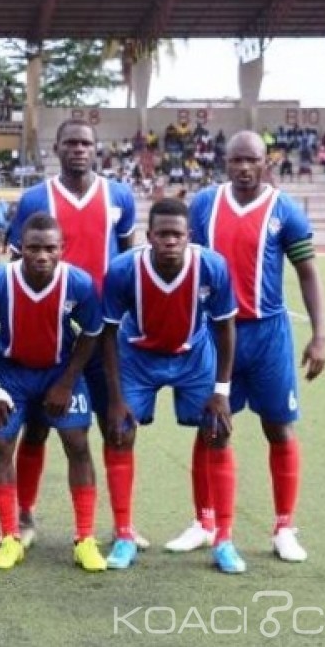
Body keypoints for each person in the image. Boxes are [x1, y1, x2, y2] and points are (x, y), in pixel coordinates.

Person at [176, 130, 325, 563]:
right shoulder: (205, 204)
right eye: (236, 160)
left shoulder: (284, 209)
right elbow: (185, 264)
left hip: (267, 335)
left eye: (252, 160)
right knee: (211, 427)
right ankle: (205, 523)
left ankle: (284, 526)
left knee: (278, 426)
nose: (244, 167)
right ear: (225, 162)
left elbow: (308, 272)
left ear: (266, 163)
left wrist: (320, 335)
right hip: (214, 334)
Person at [7, 118, 140, 549]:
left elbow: (126, 259)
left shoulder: (118, 195)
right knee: (39, 428)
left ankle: (122, 526)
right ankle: (24, 515)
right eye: (70, 143)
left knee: (115, 425)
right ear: (57, 148)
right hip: (49, 332)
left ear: (97, 149)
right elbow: (14, 263)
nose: (78, 149)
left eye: (86, 143)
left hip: (104, 334)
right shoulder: (34, 198)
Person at [101, 198, 245, 574]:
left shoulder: (212, 267)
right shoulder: (123, 270)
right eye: (161, 234)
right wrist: (114, 398)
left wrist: (222, 391)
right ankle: (123, 534)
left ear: (189, 237)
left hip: (193, 356)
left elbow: (226, 327)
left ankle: (224, 538)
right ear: (148, 237)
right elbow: (108, 333)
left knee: (218, 432)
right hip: (137, 357)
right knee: (119, 434)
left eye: (176, 235)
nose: (169, 241)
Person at [0, 213, 107, 571]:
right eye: (33, 248)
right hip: (9, 372)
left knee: (77, 442)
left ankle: (85, 539)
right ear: (19, 250)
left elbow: (92, 332)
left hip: (59, 370)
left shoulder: (79, 283)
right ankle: (11, 537)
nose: (41, 256)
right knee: (0, 446)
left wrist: (66, 381)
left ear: (62, 249)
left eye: (50, 248)